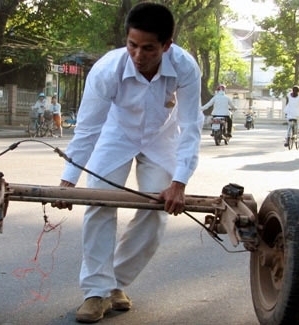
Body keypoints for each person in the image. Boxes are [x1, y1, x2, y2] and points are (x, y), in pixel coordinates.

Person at [53, 2, 203, 323]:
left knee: (156, 210)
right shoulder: (107, 69)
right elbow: (88, 128)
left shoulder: (186, 68)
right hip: (116, 133)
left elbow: (191, 127)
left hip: (162, 138)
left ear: (167, 45)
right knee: (99, 201)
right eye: (132, 45)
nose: (138, 55)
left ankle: (116, 284)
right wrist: (69, 180)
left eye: (148, 48)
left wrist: (179, 183)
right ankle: (95, 292)